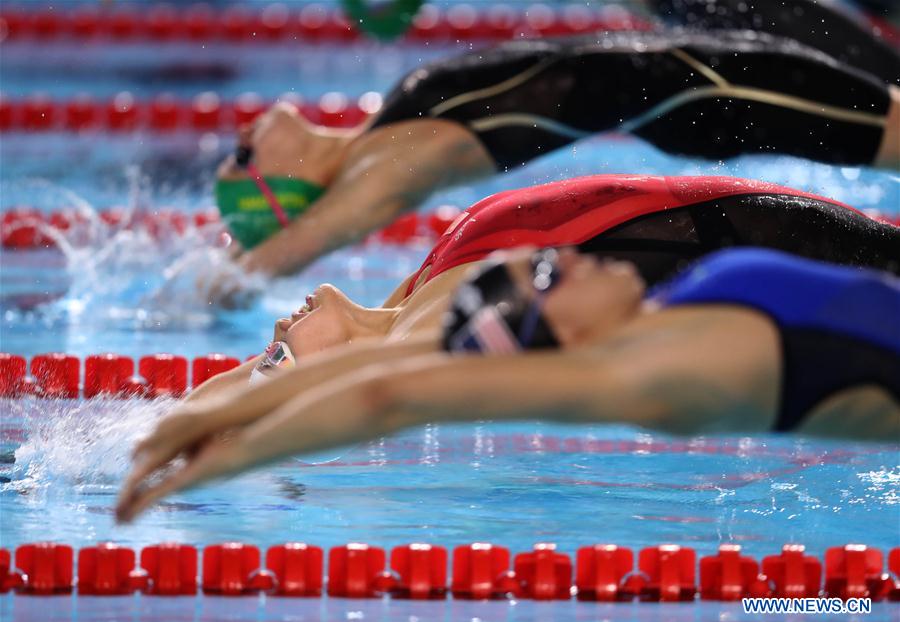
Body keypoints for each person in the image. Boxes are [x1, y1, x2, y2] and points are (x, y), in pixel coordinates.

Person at [116, 246, 900, 522]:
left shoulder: (660, 316)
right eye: (549, 274)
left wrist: (216, 410)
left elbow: (384, 368)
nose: (568, 254)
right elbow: (390, 396)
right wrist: (223, 452)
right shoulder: (645, 373)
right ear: (552, 335)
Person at [209, 0, 900, 302]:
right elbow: (305, 244)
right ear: (285, 187)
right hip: (707, 93)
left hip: (697, 78)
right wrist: (215, 282)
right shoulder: (384, 170)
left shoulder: (380, 133)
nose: (242, 139)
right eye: (243, 163)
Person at [185, 173, 899, 404]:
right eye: (280, 353)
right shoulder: (434, 326)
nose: (275, 332)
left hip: (743, 217)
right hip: (752, 235)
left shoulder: (410, 298)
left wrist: (173, 421)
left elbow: (232, 395)